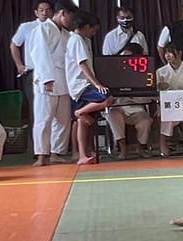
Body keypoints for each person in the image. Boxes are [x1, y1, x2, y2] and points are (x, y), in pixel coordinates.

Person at [29, 0, 78, 167]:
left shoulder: (67, 34)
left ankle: (57, 153)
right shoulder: (42, 29)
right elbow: (39, 55)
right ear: (63, 13)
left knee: (63, 120)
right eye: (71, 17)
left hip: (64, 81)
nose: (71, 22)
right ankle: (42, 155)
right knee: (44, 120)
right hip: (46, 81)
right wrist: (47, 78)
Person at [66, 10, 114, 165]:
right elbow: (82, 64)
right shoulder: (77, 40)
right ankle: (79, 112)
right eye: (93, 29)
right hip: (81, 85)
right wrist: (97, 84)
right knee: (107, 98)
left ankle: (82, 155)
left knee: (82, 122)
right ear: (86, 27)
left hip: (79, 85)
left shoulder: (80, 40)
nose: (94, 33)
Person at [102, 43, 152, 160]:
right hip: (118, 106)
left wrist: (134, 97)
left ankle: (141, 147)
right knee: (112, 115)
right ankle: (122, 148)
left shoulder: (145, 73)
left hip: (136, 108)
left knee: (145, 122)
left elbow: (149, 97)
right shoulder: (115, 72)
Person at [10, 1, 54, 120]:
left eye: (48, 10)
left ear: (52, 12)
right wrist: (19, 65)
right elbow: (14, 45)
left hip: (53, 72)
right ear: (36, 12)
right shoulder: (27, 27)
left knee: (52, 108)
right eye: (41, 10)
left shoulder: (56, 28)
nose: (44, 13)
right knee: (35, 108)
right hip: (33, 72)